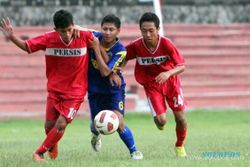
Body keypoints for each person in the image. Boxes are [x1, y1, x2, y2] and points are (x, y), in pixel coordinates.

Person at [0, 9, 103, 162]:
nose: (67, 34)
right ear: (56, 30)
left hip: (76, 92)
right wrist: (12, 37)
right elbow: (27, 46)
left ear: (73, 26)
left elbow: (101, 36)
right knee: (49, 127)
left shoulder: (83, 36)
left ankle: (39, 153)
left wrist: (80, 29)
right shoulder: (49, 38)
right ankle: (52, 145)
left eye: (69, 30)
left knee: (61, 124)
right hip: (55, 91)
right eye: (63, 31)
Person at [124, 12, 188, 157]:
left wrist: (168, 73)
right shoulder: (136, 46)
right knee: (161, 121)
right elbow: (122, 57)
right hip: (152, 85)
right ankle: (160, 122)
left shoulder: (166, 44)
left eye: (151, 30)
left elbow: (182, 66)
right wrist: (117, 70)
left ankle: (180, 145)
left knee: (180, 118)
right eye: (144, 31)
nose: (147, 34)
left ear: (158, 29)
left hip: (171, 83)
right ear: (140, 30)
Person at [87, 14, 143, 160]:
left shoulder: (121, 50)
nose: (107, 32)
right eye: (105, 29)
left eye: (111, 29)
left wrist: (96, 48)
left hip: (113, 89)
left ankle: (134, 151)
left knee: (118, 121)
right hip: (95, 90)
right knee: (96, 124)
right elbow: (77, 29)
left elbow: (105, 72)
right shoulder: (94, 36)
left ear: (118, 31)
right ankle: (95, 135)